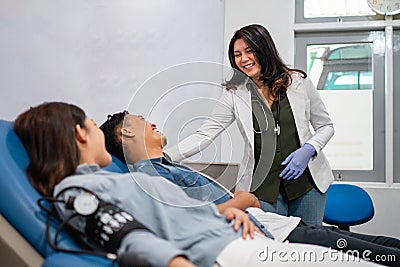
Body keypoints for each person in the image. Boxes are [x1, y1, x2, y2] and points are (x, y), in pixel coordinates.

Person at [14, 102, 370, 267]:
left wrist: (230, 216)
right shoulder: (74, 193)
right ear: (79, 133)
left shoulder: (111, 180)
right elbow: (127, 236)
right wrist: (177, 263)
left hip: (236, 238)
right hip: (223, 254)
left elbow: (176, 215)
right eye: (91, 125)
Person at [100, 110, 400, 267]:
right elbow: (191, 220)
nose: (151, 122)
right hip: (278, 234)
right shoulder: (149, 177)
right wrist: (243, 200)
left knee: (381, 245)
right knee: (376, 254)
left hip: (280, 225)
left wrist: (245, 201)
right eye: (142, 120)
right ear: (127, 131)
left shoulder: (168, 166)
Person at [165, 24, 334, 226]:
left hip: (307, 184)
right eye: (237, 54)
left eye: (249, 51)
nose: (243, 59)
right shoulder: (235, 94)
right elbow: (204, 135)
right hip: (262, 186)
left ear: (265, 49)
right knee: (272, 244)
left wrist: (309, 148)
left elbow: (326, 126)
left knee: (312, 243)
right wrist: (164, 156)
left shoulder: (298, 82)